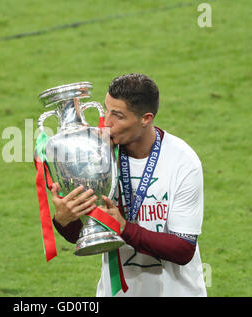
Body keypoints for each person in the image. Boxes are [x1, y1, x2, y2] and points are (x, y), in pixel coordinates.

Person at [50, 73, 207, 296]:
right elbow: (84, 234)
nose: (107, 122)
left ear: (146, 118)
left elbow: (183, 249)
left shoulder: (183, 162)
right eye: (106, 110)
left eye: (118, 116)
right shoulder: (96, 155)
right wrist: (65, 219)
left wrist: (124, 228)